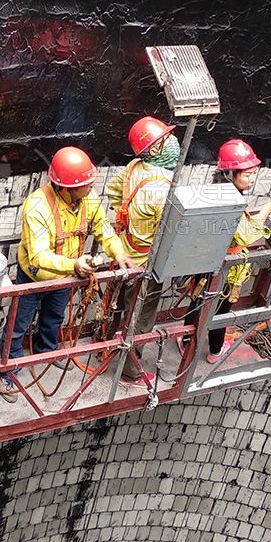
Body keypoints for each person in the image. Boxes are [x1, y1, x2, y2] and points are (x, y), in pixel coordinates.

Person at [0, 146, 134, 401]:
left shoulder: (87, 198)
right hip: (35, 277)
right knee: (19, 324)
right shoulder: (37, 207)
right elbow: (38, 256)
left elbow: (103, 227)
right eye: (86, 184)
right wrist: (73, 266)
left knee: (54, 318)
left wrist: (118, 252)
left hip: (65, 277)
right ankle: (8, 369)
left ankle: (48, 352)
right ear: (66, 188)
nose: (92, 187)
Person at [107, 116, 180, 385]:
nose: (172, 142)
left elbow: (113, 191)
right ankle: (130, 371)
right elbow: (171, 231)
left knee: (119, 306)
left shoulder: (134, 167)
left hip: (125, 251)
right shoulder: (162, 188)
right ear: (153, 148)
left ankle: (105, 345)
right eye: (164, 139)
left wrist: (129, 218)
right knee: (141, 317)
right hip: (145, 263)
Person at [206, 138, 271, 363]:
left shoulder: (217, 192)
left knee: (198, 302)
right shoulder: (231, 202)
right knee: (220, 310)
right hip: (227, 268)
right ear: (231, 174)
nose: (252, 179)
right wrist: (267, 210)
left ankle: (187, 340)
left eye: (253, 174)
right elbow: (245, 235)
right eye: (247, 175)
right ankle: (215, 352)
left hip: (208, 261)